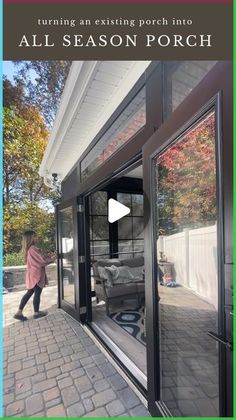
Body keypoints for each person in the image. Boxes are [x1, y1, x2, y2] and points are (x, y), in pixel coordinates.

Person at [14, 230, 56, 321]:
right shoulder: (33, 249)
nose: (37, 238)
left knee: (29, 293)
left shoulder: (29, 249)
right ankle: (36, 313)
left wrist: (50, 257)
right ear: (31, 238)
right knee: (37, 293)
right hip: (36, 276)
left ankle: (19, 312)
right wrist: (53, 258)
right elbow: (42, 261)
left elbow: (41, 258)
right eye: (35, 236)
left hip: (32, 275)